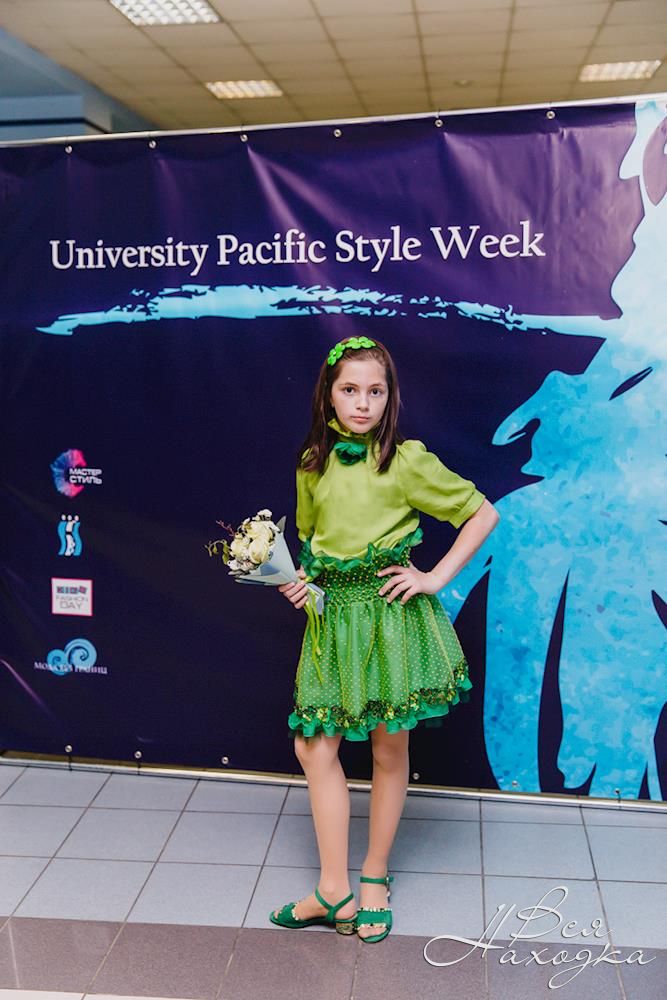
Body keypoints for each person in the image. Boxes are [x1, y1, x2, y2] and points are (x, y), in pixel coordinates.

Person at [269, 335, 499, 942]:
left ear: (390, 397)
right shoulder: (312, 463)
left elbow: (482, 513)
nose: (362, 403)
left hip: (390, 617)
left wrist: (434, 577)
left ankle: (373, 875)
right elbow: (313, 544)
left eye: (375, 391)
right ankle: (333, 889)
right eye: (350, 390)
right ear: (329, 395)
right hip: (333, 622)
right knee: (314, 747)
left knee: (388, 748)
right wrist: (298, 583)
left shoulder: (406, 461)